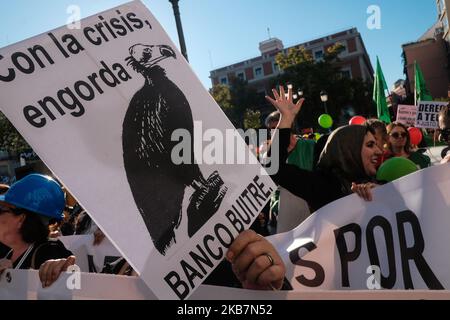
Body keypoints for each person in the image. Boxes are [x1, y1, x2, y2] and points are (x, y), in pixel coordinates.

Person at [265, 86, 382, 209]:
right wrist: (286, 118)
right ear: (349, 149)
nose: (379, 151)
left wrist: (384, 193)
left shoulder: (381, 182)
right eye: (370, 145)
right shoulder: (323, 187)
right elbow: (273, 168)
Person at [0, 174, 74, 288]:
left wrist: (65, 270)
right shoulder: (7, 252)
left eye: (1, 209)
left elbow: (77, 287)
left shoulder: (50, 252)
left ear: (21, 219)